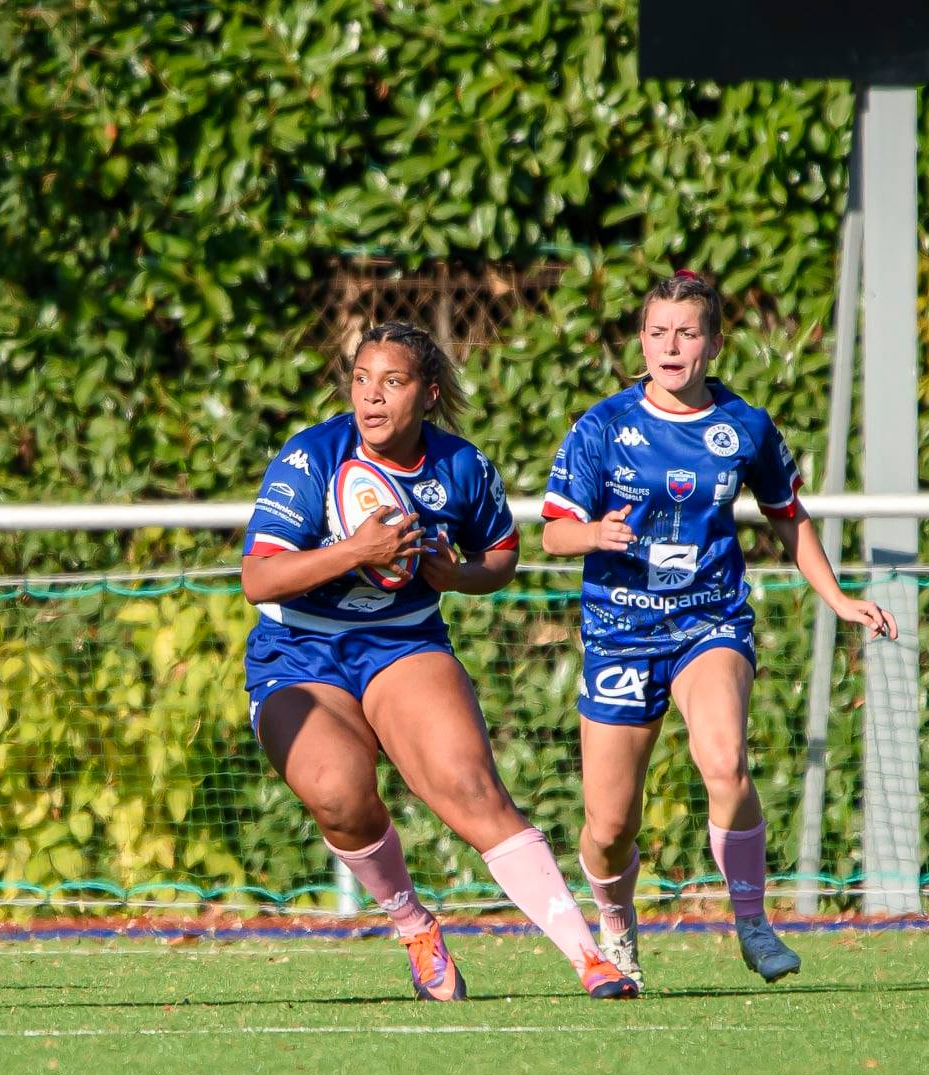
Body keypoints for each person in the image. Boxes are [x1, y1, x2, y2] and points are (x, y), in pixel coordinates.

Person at [242, 321, 637, 1001]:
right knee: (337, 795)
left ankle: (588, 957)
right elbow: (258, 580)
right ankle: (414, 925)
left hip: (402, 641)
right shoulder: (311, 457)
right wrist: (354, 554)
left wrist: (454, 576)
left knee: (471, 792)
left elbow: (501, 556)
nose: (370, 397)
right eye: (361, 379)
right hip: (297, 650)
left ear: (426, 393)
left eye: (390, 382)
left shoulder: (461, 466)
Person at [541, 272, 895, 988]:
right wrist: (594, 534)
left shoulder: (746, 428)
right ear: (640, 341)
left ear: (714, 343)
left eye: (686, 332)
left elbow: (787, 518)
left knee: (726, 764)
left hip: (709, 621)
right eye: (656, 332)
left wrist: (838, 598)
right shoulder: (601, 427)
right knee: (608, 828)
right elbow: (551, 536)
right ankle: (615, 926)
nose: (670, 347)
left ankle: (752, 922)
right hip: (619, 633)